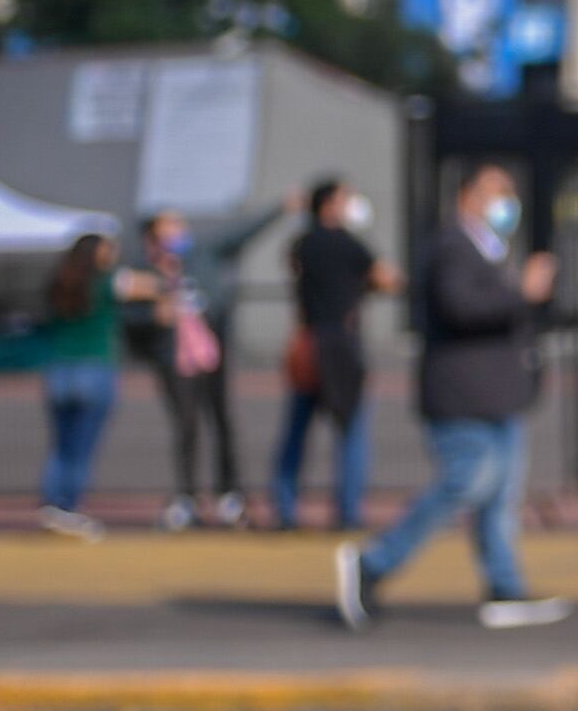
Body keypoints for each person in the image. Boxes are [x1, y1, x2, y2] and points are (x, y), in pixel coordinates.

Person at [334, 165, 567, 631]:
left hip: (498, 396)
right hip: (463, 396)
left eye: (509, 191)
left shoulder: (491, 250)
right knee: (471, 481)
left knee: (500, 497)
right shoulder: (452, 247)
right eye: (494, 190)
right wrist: (522, 293)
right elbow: (461, 308)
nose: (505, 200)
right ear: (465, 198)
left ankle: (505, 587)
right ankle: (375, 562)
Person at [123, 200, 284, 530]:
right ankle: (187, 496)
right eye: (171, 226)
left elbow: (241, 235)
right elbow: (125, 317)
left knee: (222, 420)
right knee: (186, 426)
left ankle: (229, 494)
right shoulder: (142, 271)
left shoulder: (201, 257)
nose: (180, 231)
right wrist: (152, 314)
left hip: (210, 354)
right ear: (153, 235)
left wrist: (281, 207)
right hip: (173, 359)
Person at [269, 182, 388, 533]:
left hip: (309, 340)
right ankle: (349, 511)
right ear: (330, 205)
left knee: (296, 430)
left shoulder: (304, 243)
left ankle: (286, 508)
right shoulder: (349, 244)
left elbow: (293, 267)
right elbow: (385, 277)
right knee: (351, 430)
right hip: (341, 344)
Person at [33, 233, 125, 539]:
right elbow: (145, 286)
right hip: (94, 369)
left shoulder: (60, 280)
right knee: (82, 448)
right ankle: (69, 507)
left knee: (61, 446)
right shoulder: (106, 280)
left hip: (59, 370)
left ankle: (52, 505)